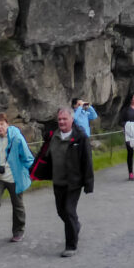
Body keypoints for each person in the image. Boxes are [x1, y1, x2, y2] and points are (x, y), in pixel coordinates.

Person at [0, 113, 34, 250]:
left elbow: (27, 156)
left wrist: (32, 171)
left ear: (7, 124)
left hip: (14, 177)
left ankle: (18, 230)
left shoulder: (16, 138)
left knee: (17, 204)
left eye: (1, 124)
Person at [48, 106, 94, 257]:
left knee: (68, 210)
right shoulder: (52, 136)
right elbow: (45, 156)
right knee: (61, 211)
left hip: (73, 182)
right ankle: (75, 225)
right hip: (58, 181)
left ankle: (71, 246)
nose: (61, 122)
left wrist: (88, 183)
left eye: (64, 119)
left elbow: (87, 161)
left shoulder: (80, 137)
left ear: (71, 119)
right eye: (59, 119)